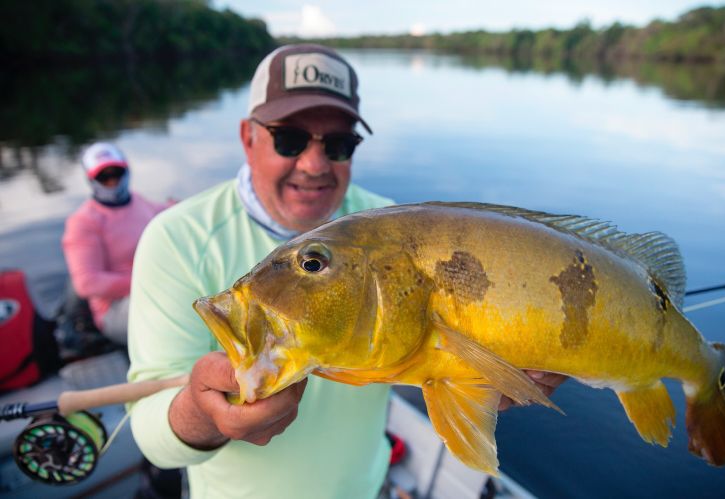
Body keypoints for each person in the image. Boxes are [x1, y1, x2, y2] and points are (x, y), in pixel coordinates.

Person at [127, 44, 566, 499]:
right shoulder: (177, 239)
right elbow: (151, 435)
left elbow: (436, 357)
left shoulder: (394, 226)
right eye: (290, 139)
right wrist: (203, 413)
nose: (314, 165)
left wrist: (498, 374)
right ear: (247, 137)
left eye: (338, 144)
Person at [62, 143, 170, 345]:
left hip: (159, 288)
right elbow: (86, 283)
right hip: (116, 308)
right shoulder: (83, 222)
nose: (112, 181)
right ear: (91, 180)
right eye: (104, 177)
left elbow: (170, 213)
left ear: (126, 171)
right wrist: (149, 282)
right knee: (174, 311)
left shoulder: (139, 202)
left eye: (117, 173)